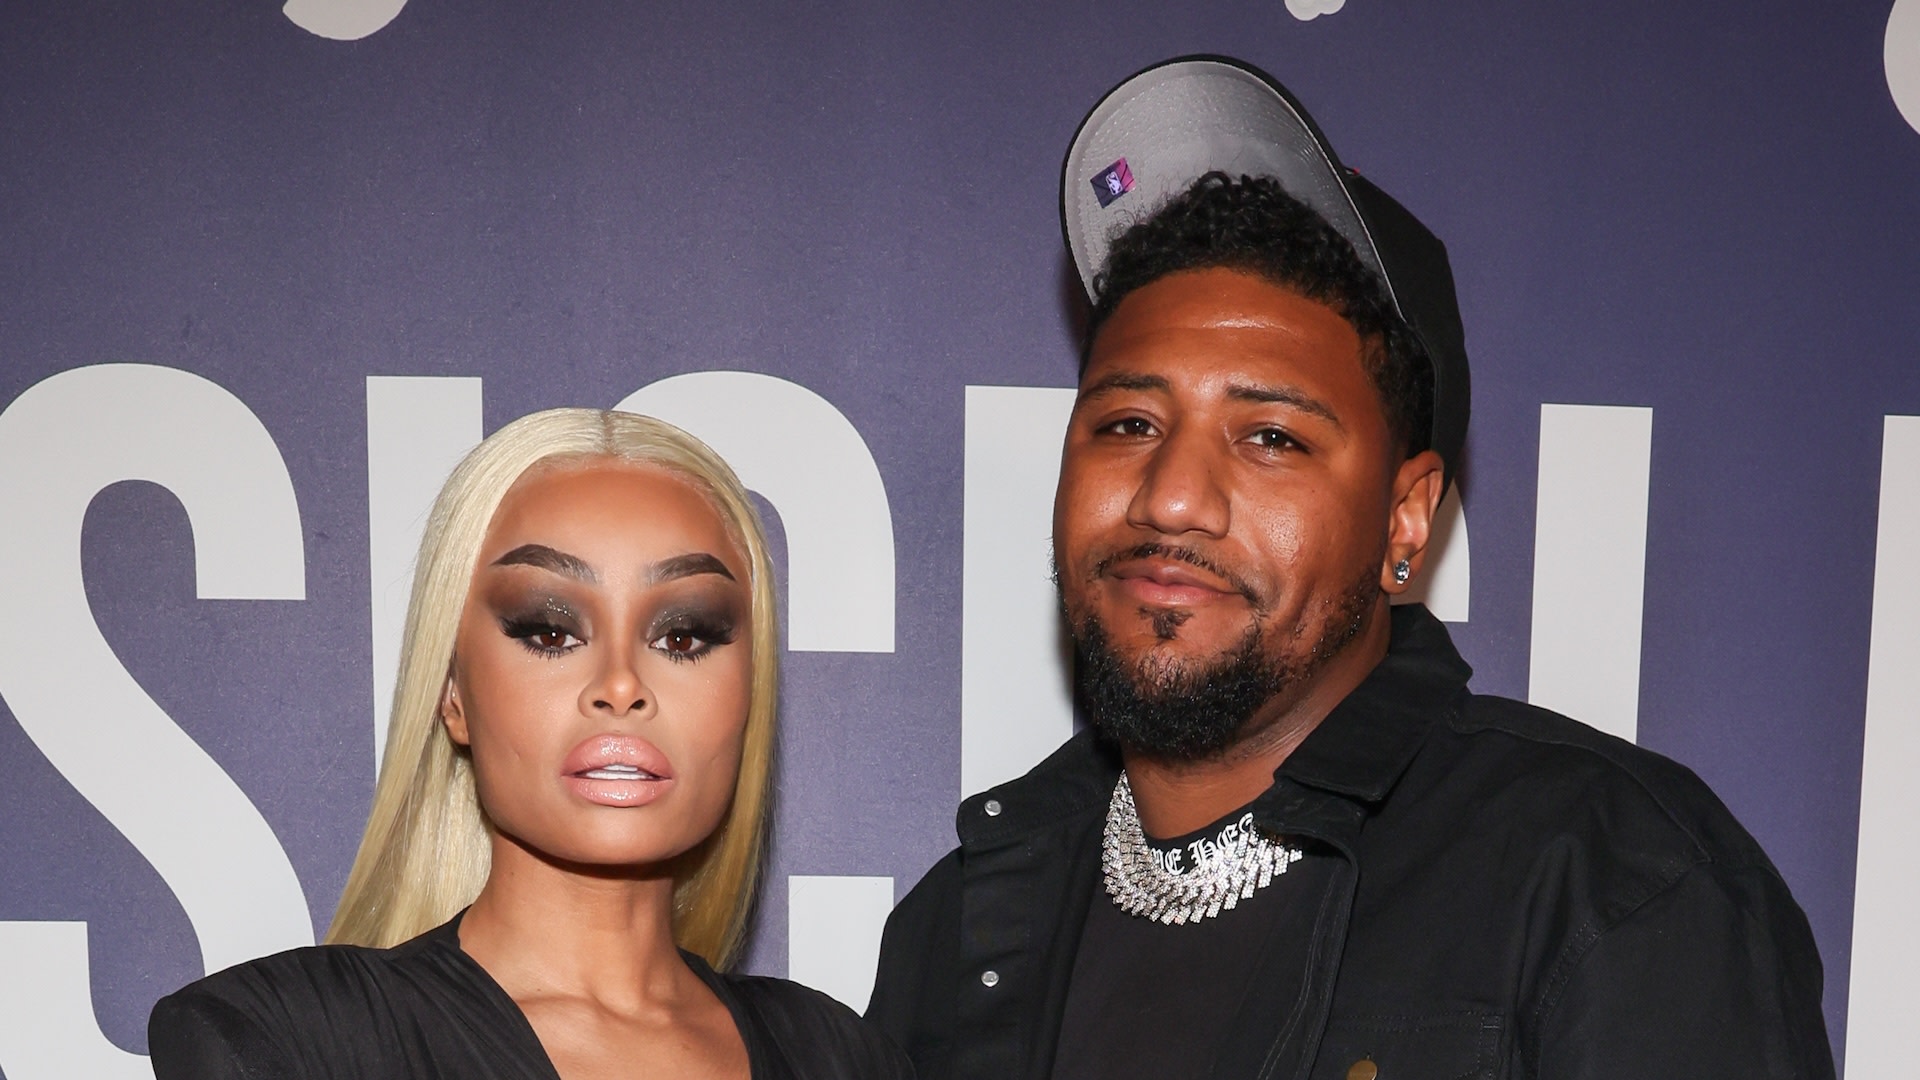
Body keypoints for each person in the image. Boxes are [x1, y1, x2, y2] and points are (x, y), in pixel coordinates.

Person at [867, 56, 1833, 1079]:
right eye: (1129, 422)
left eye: (1271, 437)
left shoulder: (1613, 878)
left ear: (1404, 520)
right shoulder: (955, 934)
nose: (1172, 496)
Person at [149, 408, 911, 1080]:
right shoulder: (289, 1039)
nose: (621, 684)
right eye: (549, 631)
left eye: (683, 636)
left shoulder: (842, 1058)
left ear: (749, 695)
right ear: (452, 692)